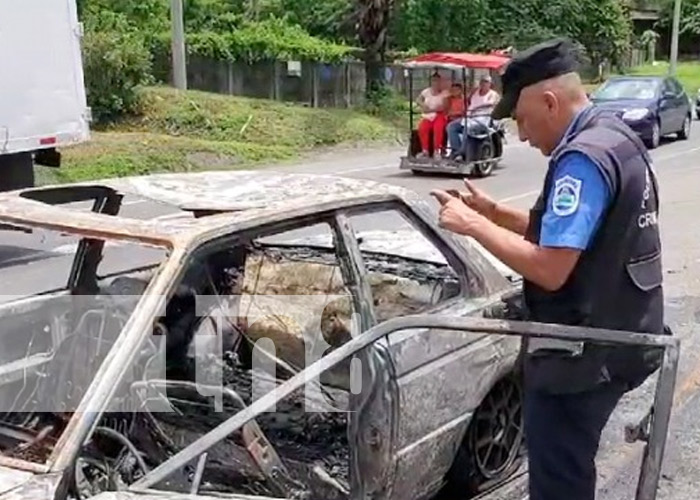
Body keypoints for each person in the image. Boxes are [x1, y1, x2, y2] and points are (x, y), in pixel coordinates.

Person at [430, 38, 665, 500]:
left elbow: (552, 268)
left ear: (550, 101)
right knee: (570, 469)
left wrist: (473, 226)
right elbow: (577, 233)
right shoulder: (613, 138)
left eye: (520, 119)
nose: (520, 136)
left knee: (560, 482)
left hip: (583, 353)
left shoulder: (581, 160)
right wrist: (498, 214)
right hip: (622, 334)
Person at [446, 74, 501, 158]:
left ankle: (463, 152)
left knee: (467, 127)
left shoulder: (492, 94)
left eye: (486, 82)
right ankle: (456, 150)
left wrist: (477, 107)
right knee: (451, 126)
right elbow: (467, 97)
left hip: (482, 119)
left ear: (490, 84)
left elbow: (492, 103)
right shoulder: (475, 92)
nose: (483, 84)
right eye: (482, 81)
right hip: (469, 117)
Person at [416, 72, 449, 158]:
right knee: (422, 127)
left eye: (438, 81)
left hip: (440, 115)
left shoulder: (445, 93)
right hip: (428, 115)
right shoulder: (426, 91)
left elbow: (445, 107)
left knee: (438, 128)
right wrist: (423, 106)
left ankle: (436, 151)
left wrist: (433, 109)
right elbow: (418, 99)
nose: (436, 83)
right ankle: (425, 150)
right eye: (434, 81)